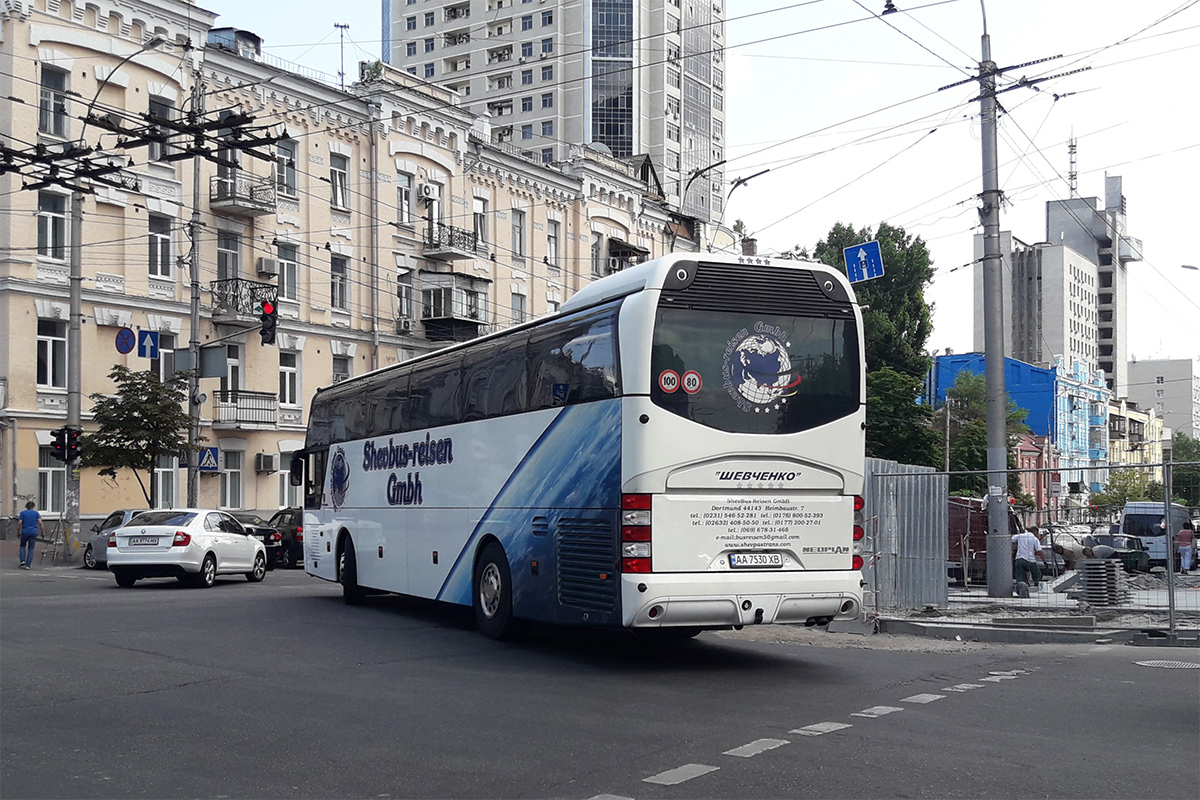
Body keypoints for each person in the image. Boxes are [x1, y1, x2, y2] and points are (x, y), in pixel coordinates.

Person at [1011, 525, 1044, 590]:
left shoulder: (1020, 536)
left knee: (1020, 577)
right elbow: (1039, 551)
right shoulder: (1035, 539)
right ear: (1035, 532)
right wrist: (1044, 561)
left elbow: (1010, 539)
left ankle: (1020, 589)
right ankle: (1037, 587)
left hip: (1019, 559)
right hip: (1030, 560)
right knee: (1037, 574)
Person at [18, 501, 43, 569]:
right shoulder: (36, 513)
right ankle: (28, 565)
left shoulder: (23, 513)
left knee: (22, 546)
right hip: (33, 532)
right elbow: (40, 523)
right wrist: (42, 532)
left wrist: (18, 532)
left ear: (26, 506)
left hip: (25, 531)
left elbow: (20, 523)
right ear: (33, 507)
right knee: (31, 548)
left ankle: (22, 561)